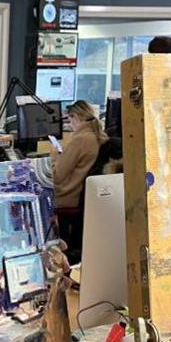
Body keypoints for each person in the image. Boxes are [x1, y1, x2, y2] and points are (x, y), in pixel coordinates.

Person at [51, 100, 108, 262]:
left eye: (70, 120)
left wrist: (54, 155)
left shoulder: (80, 140)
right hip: (85, 198)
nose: (70, 125)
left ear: (75, 117)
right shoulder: (100, 136)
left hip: (69, 197)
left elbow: (57, 175)